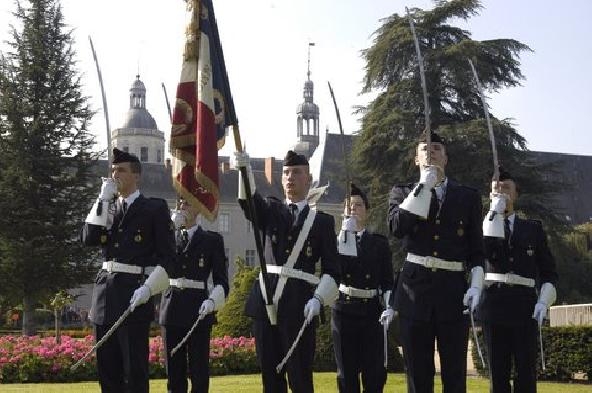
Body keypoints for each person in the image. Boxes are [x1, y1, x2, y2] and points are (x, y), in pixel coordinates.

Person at [234, 149, 340, 393]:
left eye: (296, 173)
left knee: (300, 375)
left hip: (300, 303)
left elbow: (334, 270)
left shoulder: (321, 222)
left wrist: (318, 298)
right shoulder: (271, 210)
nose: (290, 177)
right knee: (270, 377)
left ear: (309, 178)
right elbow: (249, 203)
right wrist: (244, 172)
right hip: (266, 301)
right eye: (286, 173)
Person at [387, 132, 485, 393]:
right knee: (418, 376)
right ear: (416, 159)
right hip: (414, 292)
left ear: (446, 157)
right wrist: (423, 188)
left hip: (453, 292)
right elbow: (397, 227)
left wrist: (476, 286)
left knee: (454, 375)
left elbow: (477, 250)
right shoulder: (403, 191)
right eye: (424, 149)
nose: (430, 152)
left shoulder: (468, 197)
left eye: (437, 148)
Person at [82, 148, 174, 393]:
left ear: (137, 176)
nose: (115, 174)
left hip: (134, 294)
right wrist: (102, 200)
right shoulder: (108, 208)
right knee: (107, 370)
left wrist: (149, 288)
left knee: (134, 371)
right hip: (104, 296)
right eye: (113, 170)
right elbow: (89, 238)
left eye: (121, 170)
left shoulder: (154, 208)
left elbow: (169, 258)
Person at [478, 169, 558, 393]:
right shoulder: (484, 226)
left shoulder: (533, 229)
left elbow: (549, 271)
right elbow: (485, 253)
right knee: (498, 373)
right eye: (496, 188)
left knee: (526, 373)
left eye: (506, 188)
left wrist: (544, 301)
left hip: (525, 307)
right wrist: (494, 213)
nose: (501, 192)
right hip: (494, 306)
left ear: (516, 194)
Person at [159, 200, 229, 393]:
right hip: (171, 308)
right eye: (179, 202)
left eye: (188, 203)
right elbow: (161, 267)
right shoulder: (168, 238)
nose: (182, 206)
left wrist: (213, 300)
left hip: (198, 309)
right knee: (174, 373)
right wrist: (169, 231)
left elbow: (222, 281)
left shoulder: (211, 240)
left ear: (199, 208)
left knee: (199, 372)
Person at [332, 183, 394, 393]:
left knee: (374, 373)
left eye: (358, 205)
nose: (353, 209)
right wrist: (344, 237)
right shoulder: (336, 243)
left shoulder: (379, 244)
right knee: (346, 374)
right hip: (344, 311)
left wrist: (389, 305)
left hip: (371, 312)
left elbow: (387, 280)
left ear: (366, 211)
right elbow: (335, 272)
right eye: (349, 206)